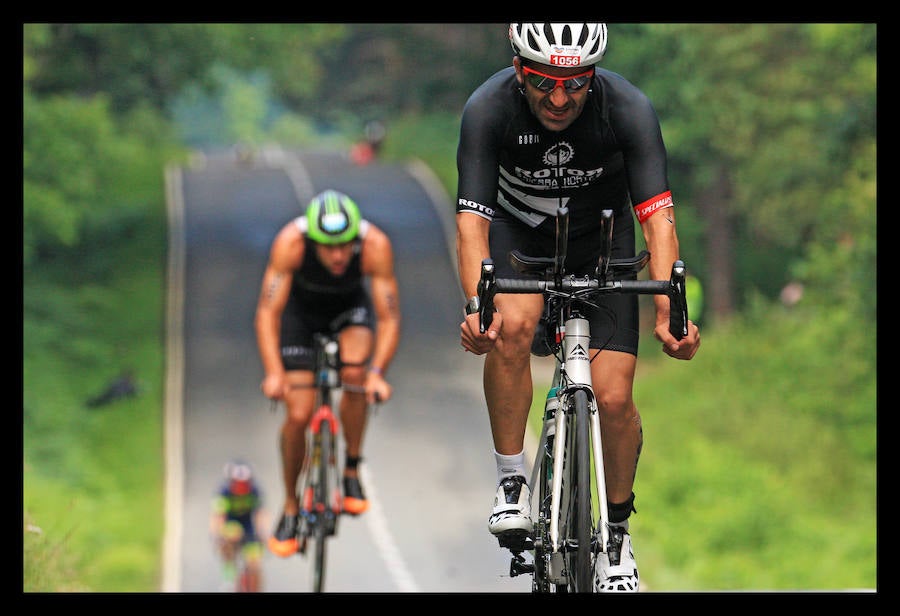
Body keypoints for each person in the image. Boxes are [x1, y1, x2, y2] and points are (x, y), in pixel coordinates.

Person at [456, 23, 701, 592]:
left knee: (615, 397)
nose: (560, 98)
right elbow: (472, 226)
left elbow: (658, 222)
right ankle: (513, 481)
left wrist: (672, 311)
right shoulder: (487, 109)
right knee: (511, 324)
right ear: (520, 70)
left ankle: (616, 538)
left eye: (575, 83)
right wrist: (478, 306)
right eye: (544, 82)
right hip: (519, 243)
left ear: (593, 75)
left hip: (604, 244)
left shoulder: (628, 108)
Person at [256, 189, 401, 557]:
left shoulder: (374, 245)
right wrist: (274, 373)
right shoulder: (290, 243)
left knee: (355, 373)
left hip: (349, 312)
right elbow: (267, 313)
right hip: (299, 318)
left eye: (345, 246)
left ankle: (351, 468)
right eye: (327, 246)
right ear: (311, 240)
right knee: (299, 413)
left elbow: (388, 316)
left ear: (356, 238)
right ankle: (290, 506)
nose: (338, 255)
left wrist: (377, 373)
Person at [209, 460, 268, 591]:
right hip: (231, 523)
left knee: (255, 564)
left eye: (244, 483)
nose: (242, 487)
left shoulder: (254, 491)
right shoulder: (224, 492)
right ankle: (229, 579)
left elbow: (260, 514)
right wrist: (217, 535)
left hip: (249, 526)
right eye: (238, 483)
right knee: (229, 540)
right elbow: (218, 516)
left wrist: (263, 533)